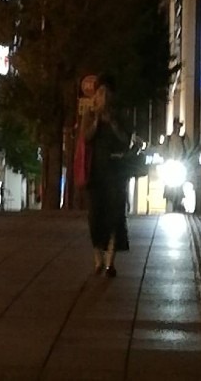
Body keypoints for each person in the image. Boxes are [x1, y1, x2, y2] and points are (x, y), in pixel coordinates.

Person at [79, 73, 131, 278]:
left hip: (116, 171)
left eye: (107, 93)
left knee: (115, 216)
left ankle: (110, 262)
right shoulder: (90, 114)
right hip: (95, 172)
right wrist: (97, 122)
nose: (104, 97)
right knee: (95, 216)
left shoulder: (119, 115)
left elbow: (126, 140)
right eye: (100, 93)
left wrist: (113, 124)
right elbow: (86, 137)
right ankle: (97, 256)